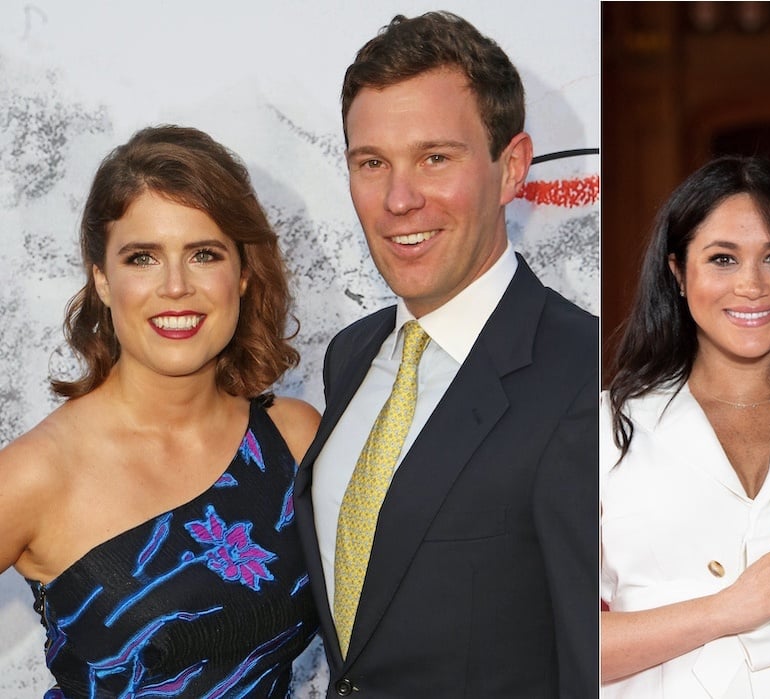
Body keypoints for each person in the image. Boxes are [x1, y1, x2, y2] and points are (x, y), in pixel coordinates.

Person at [292, 11, 598, 697]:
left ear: (512, 166)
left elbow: (588, 657)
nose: (399, 199)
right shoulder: (352, 353)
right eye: (372, 163)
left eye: (436, 157)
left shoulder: (583, 374)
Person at [0, 125, 321, 697]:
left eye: (203, 254)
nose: (175, 287)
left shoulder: (292, 438)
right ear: (102, 277)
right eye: (143, 257)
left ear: (243, 274)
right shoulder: (37, 474)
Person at [601, 155, 770, 697]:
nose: (752, 286)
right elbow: (549, 644)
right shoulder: (604, 428)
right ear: (678, 273)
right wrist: (727, 609)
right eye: (723, 259)